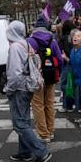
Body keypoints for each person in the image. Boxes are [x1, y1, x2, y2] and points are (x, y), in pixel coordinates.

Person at [4, 20, 52, 162]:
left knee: (20, 123)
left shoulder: (15, 47)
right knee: (24, 120)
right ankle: (24, 152)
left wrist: (8, 89)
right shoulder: (26, 44)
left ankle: (41, 152)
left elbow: (14, 73)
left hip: (19, 88)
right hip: (29, 86)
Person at [27, 14, 63, 143]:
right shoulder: (52, 40)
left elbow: (26, 60)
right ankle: (51, 131)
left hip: (36, 77)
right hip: (51, 75)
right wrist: (59, 73)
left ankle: (43, 134)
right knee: (49, 104)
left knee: (37, 105)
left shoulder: (30, 41)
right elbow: (59, 59)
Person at [58, 20, 75, 113]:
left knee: (66, 85)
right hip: (76, 63)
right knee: (73, 85)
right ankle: (76, 104)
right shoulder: (75, 37)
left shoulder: (64, 39)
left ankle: (67, 105)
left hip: (67, 63)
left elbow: (60, 51)